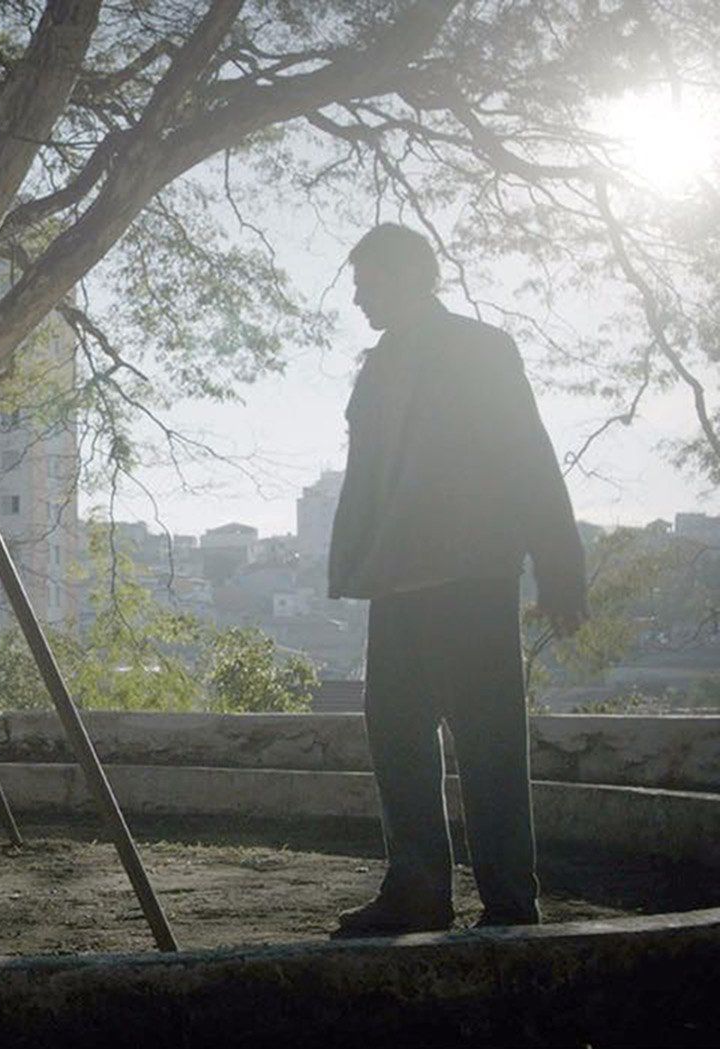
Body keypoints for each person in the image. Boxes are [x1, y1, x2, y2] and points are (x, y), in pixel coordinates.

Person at [327, 223, 587, 938]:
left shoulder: (481, 349)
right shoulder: (379, 365)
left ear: (406, 275)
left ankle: (509, 902)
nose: (356, 296)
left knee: (488, 738)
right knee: (396, 732)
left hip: (470, 573)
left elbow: (528, 452)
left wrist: (559, 564)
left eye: (366, 281)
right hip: (397, 577)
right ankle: (416, 889)